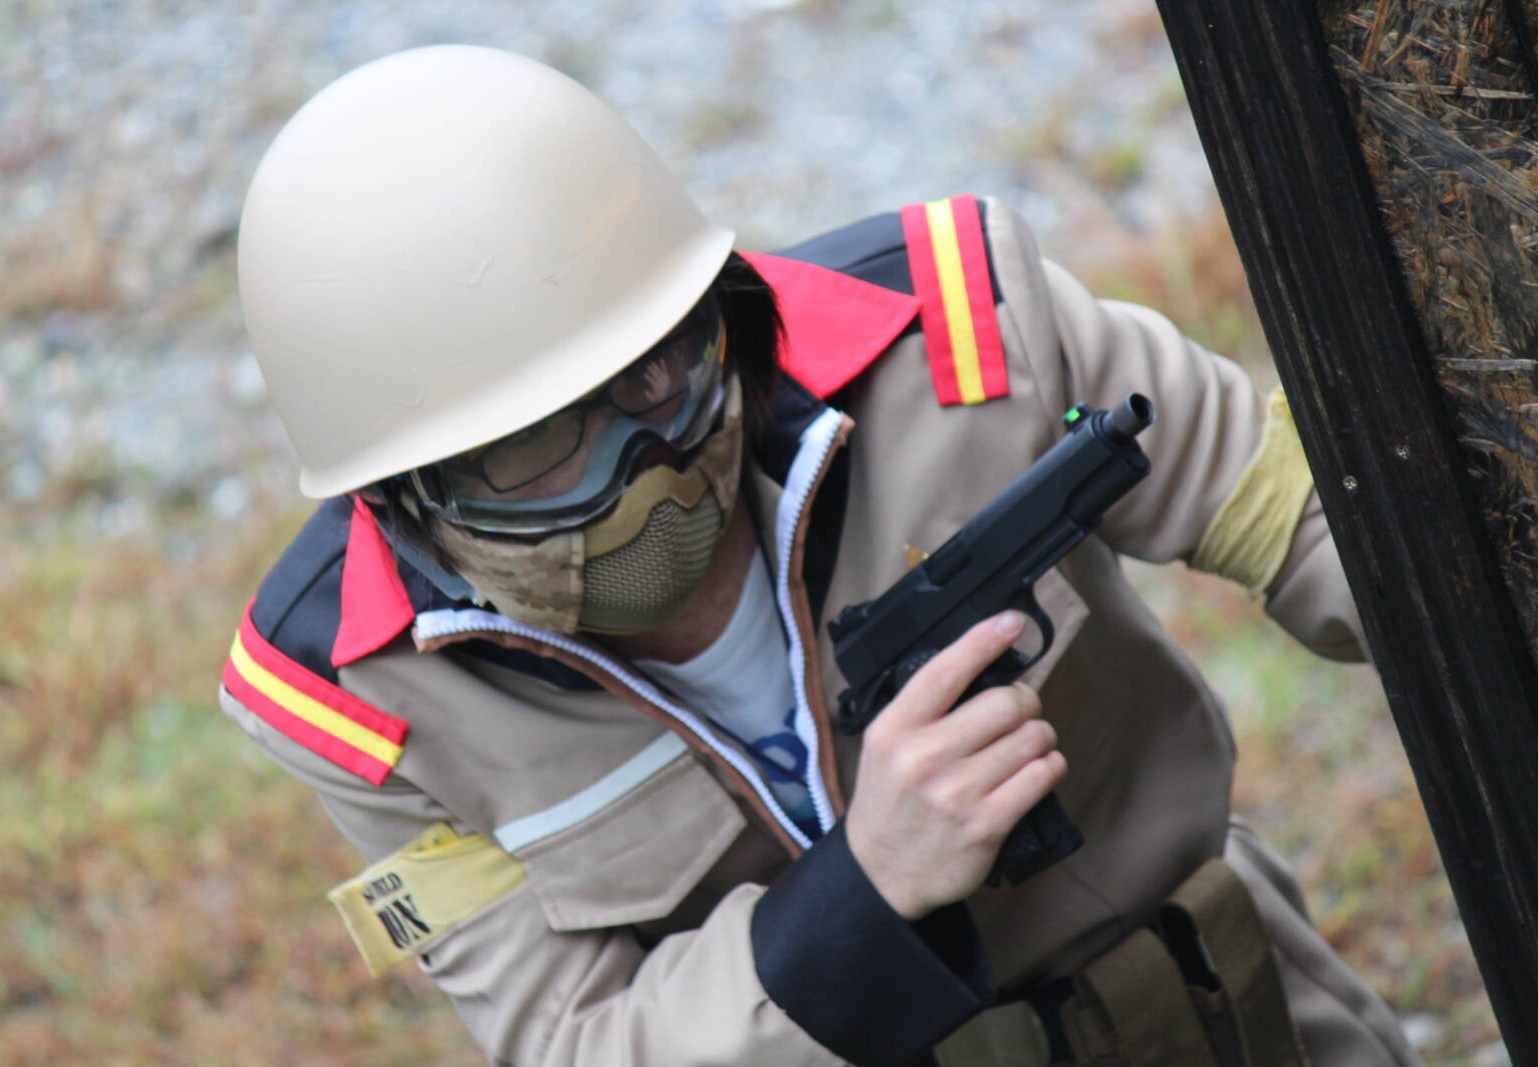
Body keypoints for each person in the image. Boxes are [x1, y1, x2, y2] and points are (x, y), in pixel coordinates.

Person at [219, 44, 1420, 1066]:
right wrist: (865, 889)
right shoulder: (363, 703)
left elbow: (1343, 533)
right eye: (537, 448)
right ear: (406, 493)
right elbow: (575, 1043)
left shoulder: (962, 338)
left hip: (1222, 1007)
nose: (643, 463)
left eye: (657, 372)